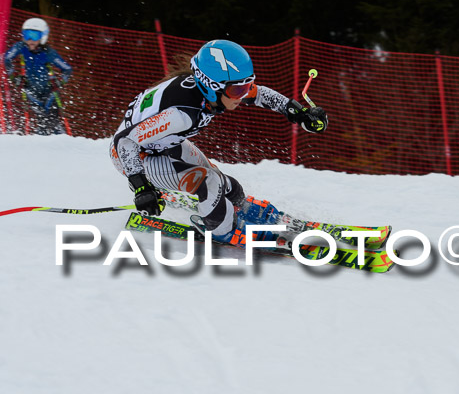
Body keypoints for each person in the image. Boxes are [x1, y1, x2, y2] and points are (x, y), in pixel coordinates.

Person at [109, 39, 328, 246]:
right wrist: (141, 186)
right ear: (210, 86)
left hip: (164, 143)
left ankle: (239, 208)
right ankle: (223, 232)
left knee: (224, 181)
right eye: (237, 90)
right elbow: (125, 141)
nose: (242, 96)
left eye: (246, 85)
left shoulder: (212, 92)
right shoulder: (181, 114)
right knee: (209, 182)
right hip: (135, 157)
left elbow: (259, 93)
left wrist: (299, 114)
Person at [3, 17, 72, 135]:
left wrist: (60, 82)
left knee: (52, 117)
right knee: (41, 117)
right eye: (26, 35)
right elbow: (7, 59)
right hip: (30, 89)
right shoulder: (21, 47)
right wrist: (15, 77)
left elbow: (67, 69)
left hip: (49, 90)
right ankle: (41, 138)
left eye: (34, 36)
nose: (30, 40)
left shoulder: (48, 53)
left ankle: (60, 137)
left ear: (43, 36)